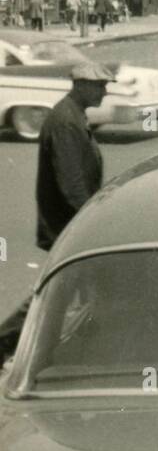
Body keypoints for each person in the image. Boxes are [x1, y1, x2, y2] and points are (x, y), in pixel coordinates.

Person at [0, 60, 114, 361]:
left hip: (71, 224)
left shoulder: (72, 115)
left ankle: (73, 349)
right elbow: (71, 184)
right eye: (100, 86)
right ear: (82, 86)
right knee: (53, 295)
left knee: (67, 293)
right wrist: (91, 221)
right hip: (67, 226)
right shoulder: (65, 121)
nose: (105, 92)